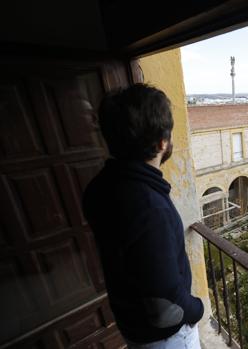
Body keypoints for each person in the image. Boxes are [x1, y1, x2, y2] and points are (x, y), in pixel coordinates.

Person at [83, 84, 204, 349]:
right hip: (166, 338)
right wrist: (197, 309)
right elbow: (165, 306)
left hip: (132, 323)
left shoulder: (99, 187)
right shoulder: (149, 206)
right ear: (163, 143)